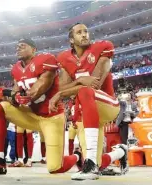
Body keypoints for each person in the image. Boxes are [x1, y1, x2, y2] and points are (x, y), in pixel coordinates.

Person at [0, 38, 82, 175]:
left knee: (55, 168)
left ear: (34, 49)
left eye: (22, 46)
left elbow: (38, 88)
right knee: (0, 107)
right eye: (17, 46)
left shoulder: (46, 59)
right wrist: (11, 96)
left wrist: (11, 94)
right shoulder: (16, 68)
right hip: (31, 114)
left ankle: (77, 155)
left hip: (51, 117)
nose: (18, 48)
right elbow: (16, 93)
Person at [50, 23, 128, 180]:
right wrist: (82, 80)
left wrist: (63, 93)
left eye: (86, 31)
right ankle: (120, 152)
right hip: (85, 112)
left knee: (86, 91)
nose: (85, 34)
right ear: (71, 40)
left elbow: (95, 84)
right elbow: (62, 88)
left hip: (107, 104)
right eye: (79, 32)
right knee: (98, 162)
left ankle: (90, 163)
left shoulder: (103, 47)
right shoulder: (65, 58)